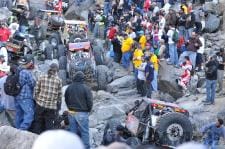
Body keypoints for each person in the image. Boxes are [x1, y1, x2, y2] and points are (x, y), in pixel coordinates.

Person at [65, 71, 93, 149]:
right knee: (84, 132)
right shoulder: (85, 88)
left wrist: (69, 108)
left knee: (72, 132)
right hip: (82, 112)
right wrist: (89, 109)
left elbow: (66, 99)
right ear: (82, 78)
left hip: (71, 112)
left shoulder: (69, 87)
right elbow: (89, 101)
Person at [32, 63, 62, 134]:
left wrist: (37, 99)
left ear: (49, 68)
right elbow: (59, 96)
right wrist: (58, 107)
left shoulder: (42, 77)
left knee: (38, 122)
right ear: (57, 71)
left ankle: (36, 138)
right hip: (51, 107)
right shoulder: (59, 80)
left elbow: (36, 90)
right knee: (49, 124)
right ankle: (47, 140)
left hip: (40, 105)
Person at [15, 55, 36, 130]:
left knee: (19, 115)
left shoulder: (17, 69)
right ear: (29, 62)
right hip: (25, 97)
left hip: (17, 96)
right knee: (30, 114)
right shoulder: (26, 72)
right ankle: (22, 130)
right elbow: (32, 84)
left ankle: (17, 130)